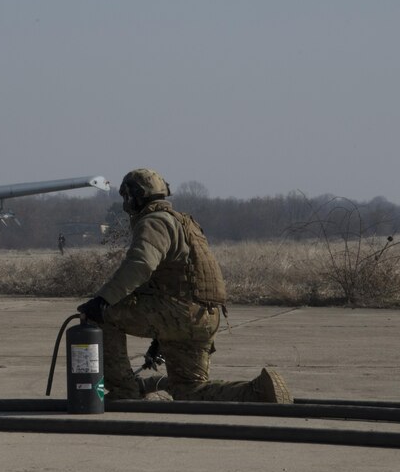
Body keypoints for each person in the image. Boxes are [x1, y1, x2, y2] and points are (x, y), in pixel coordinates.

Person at [77, 169, 293, 403]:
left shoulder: (154, 222)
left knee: (100, 317)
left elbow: (140, 264)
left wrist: (102, 300)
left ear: (134, 197)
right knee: (189, 390)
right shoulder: (184, 223)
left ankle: (124, 391)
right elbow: (180, 279)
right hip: (203, 317)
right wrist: (161, 337)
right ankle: (258, 392)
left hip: (179, 313)